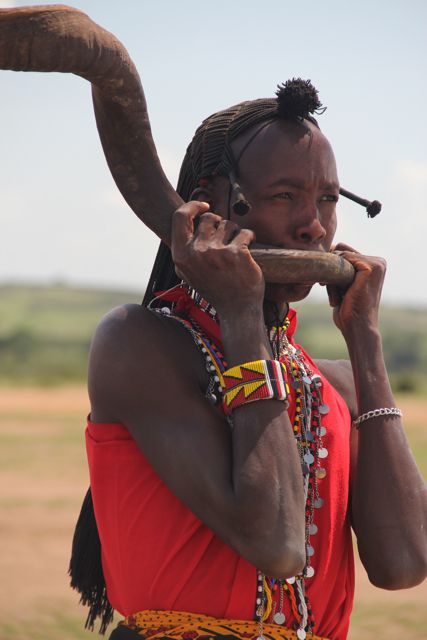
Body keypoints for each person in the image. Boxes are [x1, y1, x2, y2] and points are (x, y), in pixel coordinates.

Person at [72, 80, 427, 640]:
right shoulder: (138, 345)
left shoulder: (336, 384)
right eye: (286, 196)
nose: (315, 225)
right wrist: (241, 316)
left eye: (329, 200)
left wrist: (366, 344)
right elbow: (278, 544)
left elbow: (404, 562)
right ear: (211, 207)